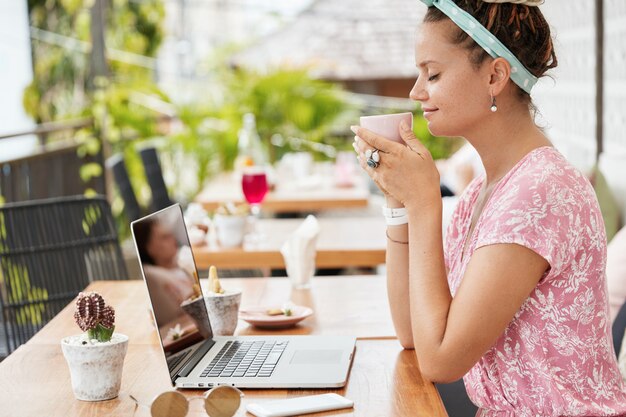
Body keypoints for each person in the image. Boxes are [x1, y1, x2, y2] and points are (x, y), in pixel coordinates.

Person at [351, 0, 626, 415]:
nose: (416, 91)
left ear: (495, 75)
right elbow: (413, 332)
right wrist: (400, 200)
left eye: (434, 73)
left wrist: (426, 202)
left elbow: (441, 360)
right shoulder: (485, 190)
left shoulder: (541, 192)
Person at [134, 218, 198, 326]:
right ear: (149, 248)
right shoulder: (154, 276)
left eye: (170, 234)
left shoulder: (184, 261)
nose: (173, 239)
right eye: (164, 237)